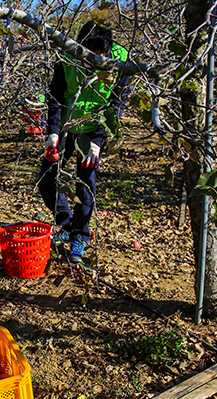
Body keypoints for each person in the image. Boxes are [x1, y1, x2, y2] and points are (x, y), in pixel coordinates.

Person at [37, 20, 130, 264]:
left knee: (84, 182)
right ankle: (66, 223)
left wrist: (102, 135)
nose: (93, 60)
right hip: (68, 126)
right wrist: (54, 133)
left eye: (99, 56)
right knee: (47, 177)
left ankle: (81, 235)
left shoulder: (120, 59)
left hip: (93, 130)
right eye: (89, 55)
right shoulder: (68, 55)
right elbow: (56, 96)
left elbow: (116, 103)